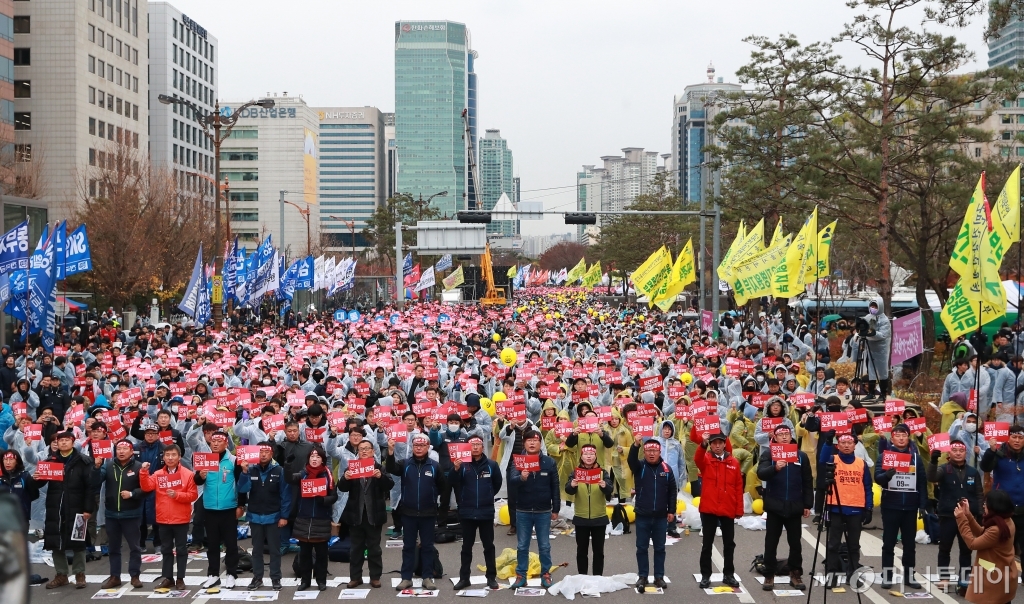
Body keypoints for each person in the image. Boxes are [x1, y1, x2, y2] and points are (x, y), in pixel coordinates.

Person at [36, 429, 95, 589]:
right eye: (59, 440)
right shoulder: (51, 461)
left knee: (78, 542)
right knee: (56, 542)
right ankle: (61, 574)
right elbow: (40, 484)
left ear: (73, 441)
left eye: (66, 440)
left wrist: (88, 509)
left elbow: (90, 488)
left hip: (77, 508)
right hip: (56, 508)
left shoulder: (84, 461)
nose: (62, 442)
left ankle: (79, 574)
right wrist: (37, 478)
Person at [756, 424, 812, 591]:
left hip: (795, 506)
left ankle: (795, 573)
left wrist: (807, 504)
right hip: (775, 505)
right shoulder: (769, 454)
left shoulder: (800, 456)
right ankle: (769, 574)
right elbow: (761, 473)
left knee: (795, 543)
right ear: (775, 437)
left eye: (787, 434)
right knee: (771, 542)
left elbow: (808, 481)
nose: (785, 437)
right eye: (781, 435)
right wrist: (775, 468)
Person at [386, 432, 444, 591]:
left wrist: (430, 497)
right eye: (416, 445)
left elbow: (442, 487)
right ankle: (406, 577)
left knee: (427, 546)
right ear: (412, 447)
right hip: (409, 513)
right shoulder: (405, 464)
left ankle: (427, 577)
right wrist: (390, 452)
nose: (418, 448)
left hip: (428, 513)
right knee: (408, 546)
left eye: (422, 445)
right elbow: (390, 468)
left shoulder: (434, 465)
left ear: (427, 447)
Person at [875, 423, 928, 589]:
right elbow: (877, 478)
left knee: (909, 545)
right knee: (889, 542)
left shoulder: (915, 458)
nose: (901, 438)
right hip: (891, 505)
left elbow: (922, 483)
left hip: (910, 507)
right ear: (892, 438)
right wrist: (887, 474)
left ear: (908, 437)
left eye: (904, 435)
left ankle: (909, 576)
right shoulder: (884, 456)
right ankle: (887, 575)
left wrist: (923, 505)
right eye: (897, 435)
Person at [139, 444, 198, 591]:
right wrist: (143, 472)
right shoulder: (159, 474)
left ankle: (180, 578)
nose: (170, 458)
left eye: (173, 455)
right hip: (163, 518)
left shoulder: (188, 474)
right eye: (167, 455)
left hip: (181, 518)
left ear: (179, 457)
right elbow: (146, 487)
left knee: (181, 549)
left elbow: (193, 495)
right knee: (166, 549)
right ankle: (168, 578)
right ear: (163, 457)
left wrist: (177, 495)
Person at [926, 438, 982, 590]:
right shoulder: (943, 469)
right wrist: (933, 460)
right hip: (948, 515)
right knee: (945, 547)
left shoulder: (973, 472)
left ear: (966, 453)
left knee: (966, 549)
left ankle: (964, 578)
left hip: (967, 517)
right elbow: (931, 477)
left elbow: (979, 494)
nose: (958, 453)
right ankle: (944, 577)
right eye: (955, 450)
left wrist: (980, 514)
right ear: (949, 453)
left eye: (961, 451)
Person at [819, 432, 873, 589]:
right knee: (833, 544)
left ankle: (853, 574)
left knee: (854, 545)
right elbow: (822, 461)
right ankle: (832, 574)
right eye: (843, 443)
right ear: (838, 445)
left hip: (856, 509)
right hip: (836, 507)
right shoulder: (833, 459)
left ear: (855, 445)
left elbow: (867, 487)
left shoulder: (861, 463)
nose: (847, 445)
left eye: (850, 442)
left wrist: (868, 508)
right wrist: (828, 442)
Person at [193, 430, 246, 589]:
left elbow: (241, 485)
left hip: (229, 508)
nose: (215, 443)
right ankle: (213, 574)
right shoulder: (205, 460)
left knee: (231, 544)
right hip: (209, 507)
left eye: (219, 441)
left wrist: (241, 505)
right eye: (213, 441)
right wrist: (200, 476)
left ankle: (231, 573)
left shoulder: (234, 461)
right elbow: (196, 481)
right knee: (213, 544)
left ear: (226, 443)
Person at [338, 438, 393, 589]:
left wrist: (380, 477)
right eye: (360, 449)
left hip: (373, 514)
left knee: (374, 548)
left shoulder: (378, 468)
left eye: (367, 448)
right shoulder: (352, 468)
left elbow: (390, 485)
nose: (363, 451)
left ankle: (375, 577)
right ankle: (355, 577)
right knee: (356, 548)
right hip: (356, 514)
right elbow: (342, 488)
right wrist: (345, 478)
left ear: (372, 451)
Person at [449, 435, 502, 591]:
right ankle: (464, 578)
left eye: (478, 444)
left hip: (486, 511)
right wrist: (455, 468)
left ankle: (491, 577)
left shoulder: (492, 465)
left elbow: (496, 484)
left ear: (483, 446)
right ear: (467, 447)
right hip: (467, 511)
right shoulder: (462, 465)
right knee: (466, 547)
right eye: (472, 445)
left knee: (489, 546)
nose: (475, 447)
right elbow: (452, 481)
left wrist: (487, 495)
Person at [509, 429, 560, 589]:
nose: (532, 443)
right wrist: (521, 478)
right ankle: (520, 575)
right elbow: (512, 480)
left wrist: (555, 508)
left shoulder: (548, 462)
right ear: (524, 443)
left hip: (543, 510)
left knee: (544, 545)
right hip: (523, 509)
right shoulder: (518, 461)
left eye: (535, 440)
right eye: (529, 440)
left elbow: (555, 487)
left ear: (540, 443)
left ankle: (546, 574)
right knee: (522, 545)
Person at [237, 441, 290, 591]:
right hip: (255, 516)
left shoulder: (279, 470)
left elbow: (285, 496)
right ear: (255, 454)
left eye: (266, 452)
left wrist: (284, 516)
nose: (263, 454)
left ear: (272, 453)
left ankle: (275, 578)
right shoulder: (251, 469)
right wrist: (244, 472)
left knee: (274, 550)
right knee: (256, 550)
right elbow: (243, 488)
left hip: (273, 516)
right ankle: (257, 577)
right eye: (260, 452)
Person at [98, 439, 149, 590]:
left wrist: (132, 494)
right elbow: (94, 482)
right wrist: (96, 467)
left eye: (124, 449)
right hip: (112, 513)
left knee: (135, 547)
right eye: (118, 448)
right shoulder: (107, 466)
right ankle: (115, 577)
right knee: (113, 547)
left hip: (131, 514)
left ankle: (135, 576)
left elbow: (147, 489)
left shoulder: (139, 467)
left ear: (131, 451)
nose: (121, 451)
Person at [693, 432, 742, 590]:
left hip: (727, 507)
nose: (717, 446)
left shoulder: (733, 462)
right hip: (709, 508)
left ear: (724, 444)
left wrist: (739, 509)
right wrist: (702, 444)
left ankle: (728, 574)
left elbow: (738, 487)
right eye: (714, 443)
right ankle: (705, 575)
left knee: (729, 544)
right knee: (707, 544)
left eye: (720, 443)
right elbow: (697, 459)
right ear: (711, 445)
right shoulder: (706, 459)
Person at [954, 489, 1019, 603]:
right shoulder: (1006, 521)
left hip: (995, 579)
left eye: (986, 504)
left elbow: (972, 543)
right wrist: (968, 515)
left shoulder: (997, 529)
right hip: (1003, 576)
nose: (984, 506)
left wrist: (961, 519)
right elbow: (982, 533)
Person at [288, 444, 337, 592]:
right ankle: (305, 580)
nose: (314, 459)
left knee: (322, 554)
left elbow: (334, 496)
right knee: (305, 554)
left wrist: (323, 500)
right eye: (312, 457)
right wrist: (287, 464)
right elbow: (289, 479)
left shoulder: (327, 474)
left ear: (322, 460)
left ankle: (321, 580)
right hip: (304, 518)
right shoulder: (303, 474)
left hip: (321, 519)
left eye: (318, 457)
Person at [564, 443, 613, 576]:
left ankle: (597, 577)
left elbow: (610, 491)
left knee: (599, 552)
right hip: (581, 518)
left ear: (596, 456)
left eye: (591, 454)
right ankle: (582, 576)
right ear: (582, 456)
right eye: (586, 454)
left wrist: (604, 485)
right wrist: (572, 485)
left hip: (599, 518)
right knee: (581, 551)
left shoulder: (603, 473)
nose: (589, 456)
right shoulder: (576, 472)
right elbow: (568, 489)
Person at [979, 424, 1024, 562]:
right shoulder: (999, 453)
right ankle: (994, 577)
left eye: (1021, 438)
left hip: (1022, 509)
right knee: (999, 545)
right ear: (1008, 438)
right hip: (1001, 510)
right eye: (1014, 437)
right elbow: (985, 466)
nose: (1017, 440)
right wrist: (991, 451)